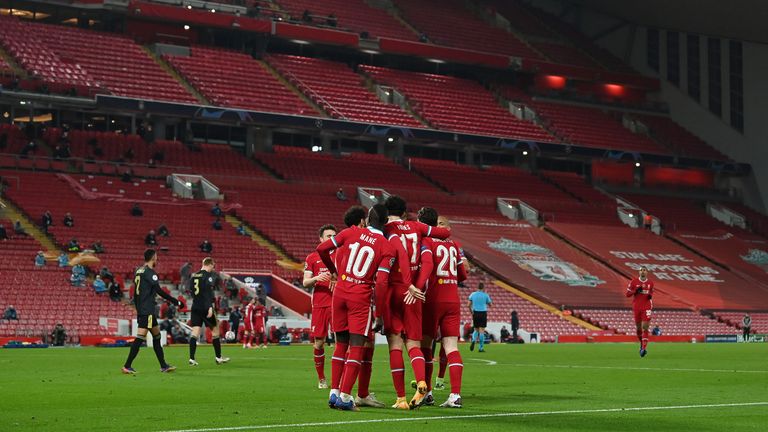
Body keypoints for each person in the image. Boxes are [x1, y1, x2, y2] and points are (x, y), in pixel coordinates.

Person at [316, 204, 401, 411]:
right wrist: (379, 315)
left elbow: (321, 249)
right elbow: (381, 283)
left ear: (367, 220)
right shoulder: (386, 246)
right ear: (386, 222)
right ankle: (345, 397)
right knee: (356, 346)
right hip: (359, 297)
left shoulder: (350, 232)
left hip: (340, 293)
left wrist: (334, 270)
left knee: (340, 345)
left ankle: (334, 393)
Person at [382, 196, 451, 409]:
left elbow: (395, 253)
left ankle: (400, 398)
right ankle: (422, 383)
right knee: (413, 344)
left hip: (394, 289)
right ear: (404, 212)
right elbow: (445, 233)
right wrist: (417, 287)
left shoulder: (385, 228)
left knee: (395, 343)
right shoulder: (416, 227)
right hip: (414, 293)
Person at [414, 209, 466, 408]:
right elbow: (463, 275)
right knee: (451, 347)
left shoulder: (426, 243)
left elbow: (424, 269)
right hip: (453, 299)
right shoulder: (453, 245)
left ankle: (427, 393)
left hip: (432, 299)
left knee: (426, 346)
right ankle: (455, 395)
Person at [121, 249, 183, 374]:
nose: (157, 259)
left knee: (156, 336)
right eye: (156, 257)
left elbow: (137, 291)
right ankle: (127, 366)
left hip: (144, 309)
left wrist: (138, 308)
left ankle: (163, 365)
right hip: (147, 310)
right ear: (153, 257)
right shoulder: (150, 273)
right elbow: (159, 291)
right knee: (140, 338)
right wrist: (175, 301)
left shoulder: (139, 271)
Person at [303, 224, 337, 389]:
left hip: (338, 303)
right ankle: (322, 378)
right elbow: (305, 282)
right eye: (328, 236)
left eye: (334, 236)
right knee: (319, 342)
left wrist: (337, 279)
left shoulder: (341, 255)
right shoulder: (312, 257)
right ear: (321, 239)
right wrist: (318, 277)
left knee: (343, 341)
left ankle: (340, 379)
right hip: (320, 304)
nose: (331, 238)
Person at [188, 257, 230, 366]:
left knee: (195, 333)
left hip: (195, 307)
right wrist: (210, 307)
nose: (213, 268)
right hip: (205, 307)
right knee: (215, 331)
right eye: (213, 266)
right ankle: (218, 357)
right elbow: (208, 292)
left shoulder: (194, 276)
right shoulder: (208, 276)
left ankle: (192, 358)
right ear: (209, 264)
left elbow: (191, 291)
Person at [625, 266, 654, 357]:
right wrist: (635, 291)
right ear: (639, 272)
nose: (642, 272)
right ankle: (641, 343)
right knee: (638, 329)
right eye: (641, 270)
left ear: (647, 272)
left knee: (645, 327)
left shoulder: (650, 283)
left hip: (647, 306)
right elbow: (627, 294)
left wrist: (650, 295)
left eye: (644, 270)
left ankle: (644, 348)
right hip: (637, 307)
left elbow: (651, 292)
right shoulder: (634, 282)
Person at [468, 283, 492, 352]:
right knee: (482, 330)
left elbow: (468, 305)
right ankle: (481, 348)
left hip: (475, 312)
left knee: (476, 329)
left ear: (477, 287)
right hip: (483, 313)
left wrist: (471, 311)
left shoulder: (473, 294)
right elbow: (490, 305)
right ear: (483, 288)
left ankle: (473, 340)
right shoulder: (485, 295)